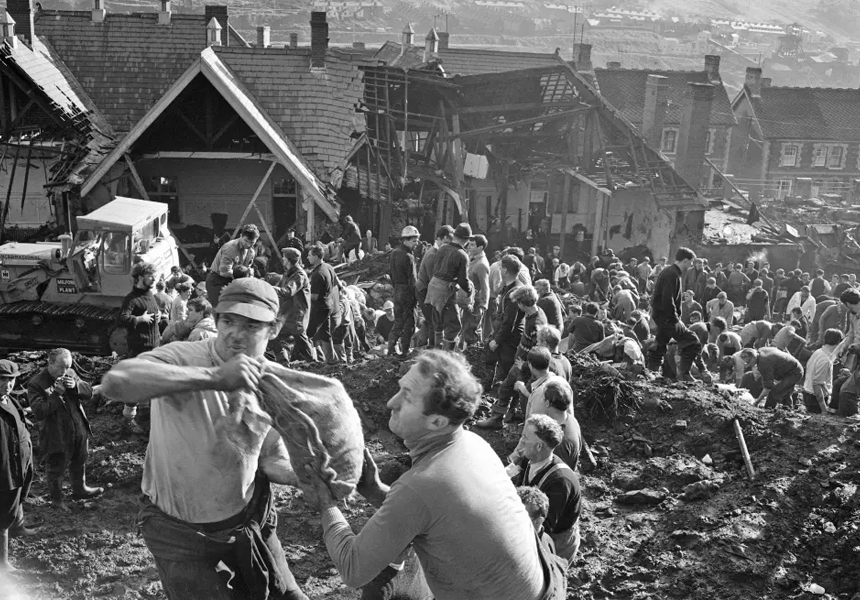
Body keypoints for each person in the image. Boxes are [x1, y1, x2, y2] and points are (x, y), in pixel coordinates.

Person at [100, 278, 310, 600]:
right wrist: (213, 378)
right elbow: (117, 383)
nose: (234, 334)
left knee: (287, 595)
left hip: (247, 520)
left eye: (251, 325)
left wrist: (302, 477)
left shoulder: (273, 382)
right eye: (228, 321)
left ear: (275, 328)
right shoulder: (181, 358)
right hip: (182, 534)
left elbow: (268, 456)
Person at [303, 350, 563, 600]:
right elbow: (435, 517)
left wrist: (326, 503)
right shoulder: (474, 444)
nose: (391, 402)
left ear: (437, 422)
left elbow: (352, 568)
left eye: (406, 396)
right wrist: (372, 489)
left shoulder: (419, 486)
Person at [28, 348, 103, 508]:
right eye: (61, 367)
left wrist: (76, 386)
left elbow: (89, 393)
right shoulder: (36, 383)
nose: (65, 371)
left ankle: (80, 489)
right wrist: (56, 394)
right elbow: (39, 412)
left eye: (68, 367)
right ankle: (57, 500)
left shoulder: (70, 373)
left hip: (77, 424)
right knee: (57, 464)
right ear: (50, 363)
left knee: (80, 457)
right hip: (56, 431)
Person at [512, 415, 581, 565]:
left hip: (556, 541)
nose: (521, 440)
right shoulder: (529, 459)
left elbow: (545, 528)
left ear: (538, 446)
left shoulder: (560, 482)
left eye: (525, 437)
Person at [476, 286, 547, 429]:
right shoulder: (532, 314)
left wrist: (525, 366)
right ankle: (510, 414)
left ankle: (497, 419)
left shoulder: (536, 324)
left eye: (518, 303)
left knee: (505, 388)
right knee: (515, 390)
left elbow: (540, 351)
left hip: (526, 364)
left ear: (521, 304)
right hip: (523, 360)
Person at [0, 359, 38, 569]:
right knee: (2, 514)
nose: (7, 384)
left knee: (17, 499)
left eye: (11, 380)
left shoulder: (10, 400)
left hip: (19, 464)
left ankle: (19, 527)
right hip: (4, 469)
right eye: (3, 379)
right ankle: (3, 563)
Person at [117, 261, 161, 435]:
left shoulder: (150, 295)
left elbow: (151, 314)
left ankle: (144, 413)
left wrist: (159, 317)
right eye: (151, 275)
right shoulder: (131, 299)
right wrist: (139, 320)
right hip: (139, 348)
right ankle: (127, 421)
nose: (154, 278)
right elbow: (121, 319)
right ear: (141, 277)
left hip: (153, 347)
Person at [425, 224, 474, 350]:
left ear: (454, 236)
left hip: (433, 287)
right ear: (467, 240)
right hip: (445, 291)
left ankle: (437, 351)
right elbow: (463, 280)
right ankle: (446, 358)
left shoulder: (443, 248)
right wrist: (469, 291)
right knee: (453, 325)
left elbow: (437, 269)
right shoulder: (462, 255)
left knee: (438, 323)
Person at [272, 247, 316, 363]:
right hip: (288, 313)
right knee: (274, 336)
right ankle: (284, 362)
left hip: (297, 314)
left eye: (284, 257)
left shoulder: (299, 275)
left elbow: (287, 292)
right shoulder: (289, 273)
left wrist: (269, 288)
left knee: (301, 340)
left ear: (288, 260)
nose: (282, 259)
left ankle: (314, 364)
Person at [205, 224, 259, 306]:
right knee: (221, 309)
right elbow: (224, 272)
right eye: (246, 241)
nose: (248, 245)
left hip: (234, 280)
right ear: (241, 236)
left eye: (252, 243)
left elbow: (246, 270)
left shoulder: (251, 252)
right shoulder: (231, 248)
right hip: (218, 280)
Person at [306, 244, 341, 363]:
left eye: (309, 255)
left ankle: (308, 360)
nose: (307, 257)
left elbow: (314, 297)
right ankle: (332, 360)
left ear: (316, 257)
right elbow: (338, 284)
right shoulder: (328, 267)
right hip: (329, 305)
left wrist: (303, 294)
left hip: (320, 308)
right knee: (325, 334)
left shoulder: (317, 275)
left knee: (307, 333)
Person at [389, 226, 420, 358]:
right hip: (407, 292)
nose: (417, 243)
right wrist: (417, 297)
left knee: (398, 321)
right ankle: (405, 351)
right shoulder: (409, 256)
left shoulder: (394, 253)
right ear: (406, 240)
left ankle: (391, 349)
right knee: (410, 323)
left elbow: (390, 273)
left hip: (397, 290)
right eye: (414, 240)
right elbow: (413, 280)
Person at [739, 347, 803, 409]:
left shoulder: (763, 363)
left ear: (753, 357)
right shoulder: (761, 351)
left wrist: (756, 402)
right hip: (793, 368)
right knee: (784, 390)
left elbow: (768, 388)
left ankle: (768, 410)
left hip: (793, 372)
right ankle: (787, 409)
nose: (748, 364)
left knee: (774, 392)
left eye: (748, 362)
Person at [803, 329, 843, 414]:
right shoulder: (825, 359)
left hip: (808, 394)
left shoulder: (818, 352)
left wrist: (827, 391)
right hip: (815, 399)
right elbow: (816, 384)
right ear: (838, 342)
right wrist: (824, 410)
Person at [461, 235, 491, 349]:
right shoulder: (471, 258)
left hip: (477, 303)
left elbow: (485, 286)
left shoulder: (481, 264)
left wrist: (483, 305)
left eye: (473, 245)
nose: (469, 247)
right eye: (469, 244)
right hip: (469, 300)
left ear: (481, 247)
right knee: (466, 329)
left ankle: (474, 355)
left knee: (472, 330)